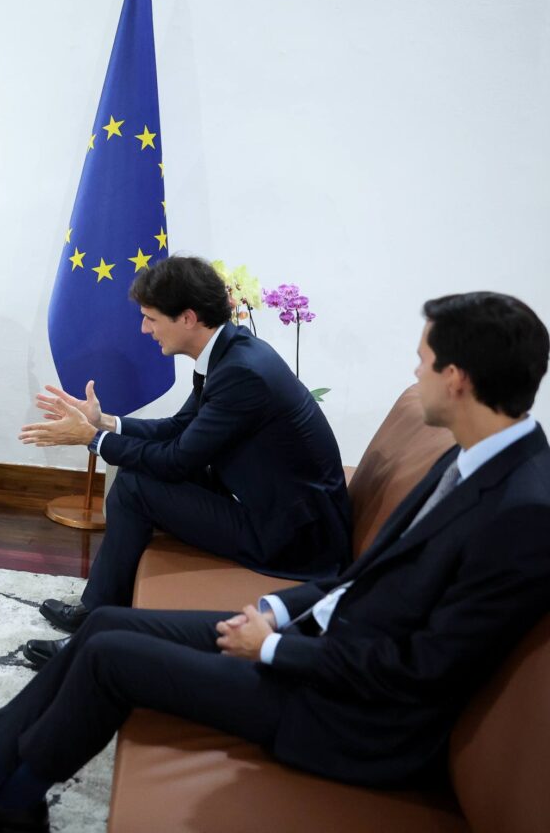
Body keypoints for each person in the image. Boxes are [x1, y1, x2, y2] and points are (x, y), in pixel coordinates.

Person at [0, 291, 550, 833]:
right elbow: (367, 577)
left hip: (351, 716)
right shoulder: (470, 460)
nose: (414, 371)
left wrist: (272, 647)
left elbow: (421, 669)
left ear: (456, 378)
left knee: (109, 658)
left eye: (424, 360)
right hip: (320, 643)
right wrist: (277, 609)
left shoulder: (521, 512)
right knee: (103, 628)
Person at [19, 256, 350, 666]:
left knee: (138, 484)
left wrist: (94, 440)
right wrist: (105, 423)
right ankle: (98, 610)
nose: (144, 329)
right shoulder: (227, 353)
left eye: (151, 318)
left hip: (291, 538)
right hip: (269, 507)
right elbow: (180, 428)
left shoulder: (241, 372)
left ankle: (94, 630)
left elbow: (177, 460)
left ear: (188, 318)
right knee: (135, 481)